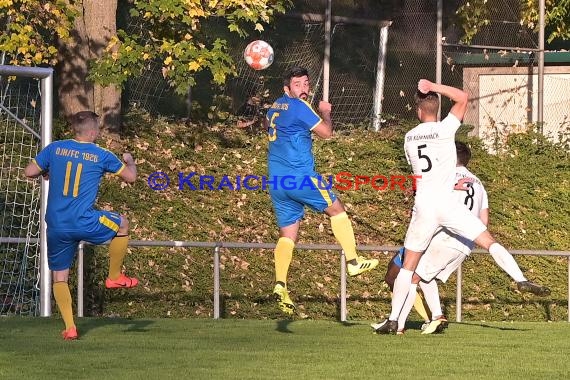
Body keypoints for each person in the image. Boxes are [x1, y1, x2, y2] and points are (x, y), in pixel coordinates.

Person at [374, 79, 550, 334]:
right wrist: (433, 84)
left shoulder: (409, 137)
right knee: (489, 240)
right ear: (437, 107)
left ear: (418, 110)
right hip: (448, 204)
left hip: (424, 205)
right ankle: (520, 278)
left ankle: (393, 320)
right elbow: (463, 97)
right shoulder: (446, 129)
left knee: (409, 265)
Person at [264, 66, 379, 315]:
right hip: (300, 177)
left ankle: (281, 284)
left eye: (306, 83)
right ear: (287, 89)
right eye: (297, 84)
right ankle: (353, 261)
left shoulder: (274, 107)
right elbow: (326, 134)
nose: (304, 88)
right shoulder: (300, 107)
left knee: (287, 234)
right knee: (338, 210)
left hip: (277, 182)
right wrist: (326, 113)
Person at [24, 111, 139, 340]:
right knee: (123, 224)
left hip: (56, 224)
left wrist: (47, 171)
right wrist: (130, 161)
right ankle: (114, 276)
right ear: (93, 132)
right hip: (83, 220)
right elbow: (131, 178)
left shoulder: (55, 148)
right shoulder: (101, 154)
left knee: (60, 277)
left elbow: (29, 172)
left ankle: (70, 328)